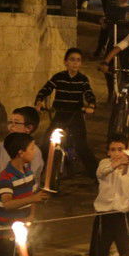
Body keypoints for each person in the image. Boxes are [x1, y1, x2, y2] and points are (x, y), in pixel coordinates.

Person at [35, 46, 99, 178]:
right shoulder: (58, 77)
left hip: (76, 114)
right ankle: (37, 169)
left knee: (81, 144)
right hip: (60, 114)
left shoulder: (83, 79)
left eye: (78, 60)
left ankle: (96, 174)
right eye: (72, 60)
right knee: (46, 143)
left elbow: (89, 94)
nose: (75, 63)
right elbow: (46, 89)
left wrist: (91, 105)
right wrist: (39, 101)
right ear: (65, 62)